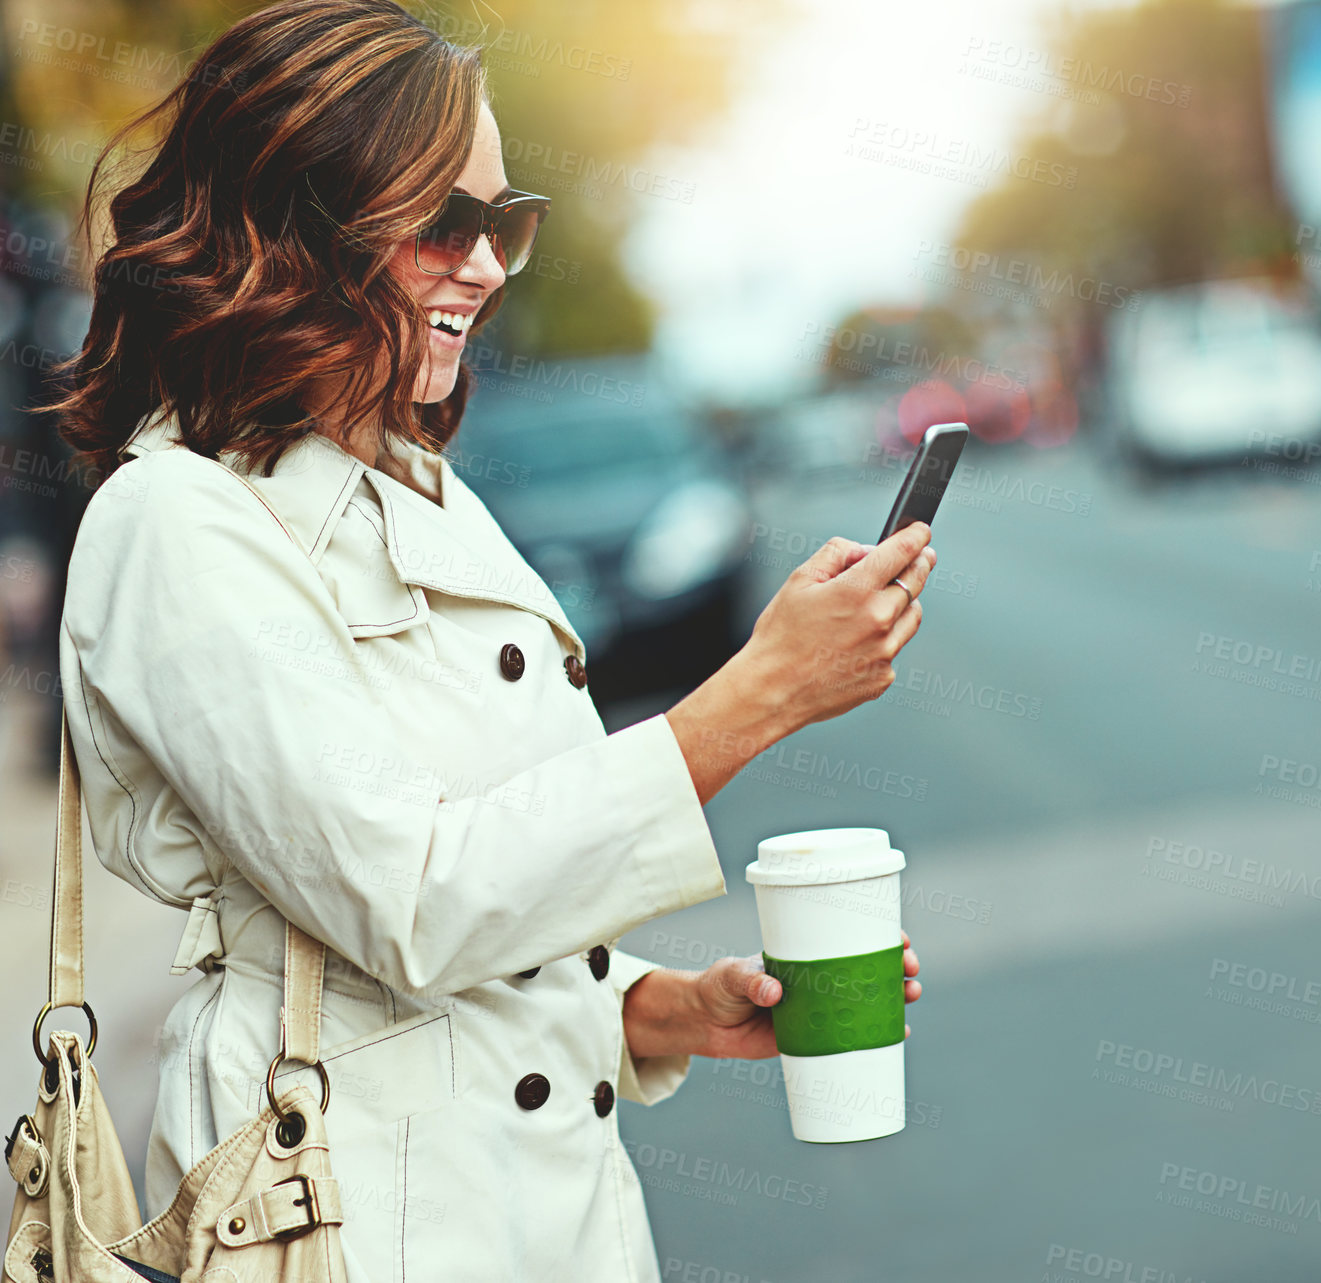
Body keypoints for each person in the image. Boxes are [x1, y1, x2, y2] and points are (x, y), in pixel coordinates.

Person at [46, 1, 930, 1278]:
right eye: (440, 224)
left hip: (532, 1209)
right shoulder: (178, 521)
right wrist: (762, 693)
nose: (486, 264)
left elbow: (491, 848)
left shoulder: (410, 477)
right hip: (354, 1219)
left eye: (502, 222)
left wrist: (649, 1004)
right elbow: (415, 900)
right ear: (296, 226)